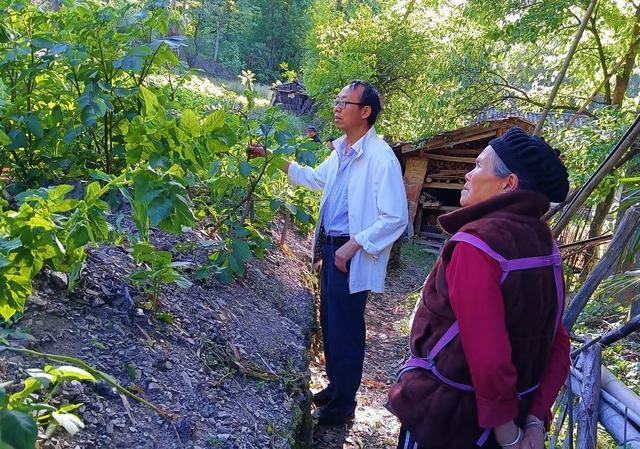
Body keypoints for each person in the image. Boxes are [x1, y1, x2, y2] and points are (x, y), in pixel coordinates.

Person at [387, 128, 571, 449]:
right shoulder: (545, 244)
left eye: (478, 166)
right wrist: (534, 420)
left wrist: (507, 435)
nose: (468, 175)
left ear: (508, 184)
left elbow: (488, 352)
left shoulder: (477, 243)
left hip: (452, 421)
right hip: (518, 417)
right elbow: (557, 341)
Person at [250, 80, 408, 426]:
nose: (337, 108)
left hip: (350, 253)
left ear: (365, 113)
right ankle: (336, 388)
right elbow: (311, 178)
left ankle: (343, 406)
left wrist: (355, 245)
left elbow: (395, 217)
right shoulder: (342, 151)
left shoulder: (380, 158)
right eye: (337, 101)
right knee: (331, 324)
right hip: (334, 249)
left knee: (346, 329)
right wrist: (271, 158)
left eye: (345, 103)